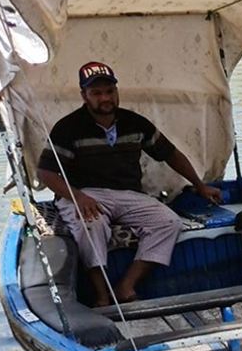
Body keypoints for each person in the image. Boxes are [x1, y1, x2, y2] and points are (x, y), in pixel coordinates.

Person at [35, 62, 221, 307]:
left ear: (116, 91)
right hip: (85, 193)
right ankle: (102, 296)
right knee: (91, 225)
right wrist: (78, 197)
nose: (105, 98)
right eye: (96, 93)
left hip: (128, 194)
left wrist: (199, 185)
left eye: (109, 91)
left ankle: (126, 286)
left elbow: (170, 154)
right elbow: (46, 173)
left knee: (168, 222)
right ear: (84, 96)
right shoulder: (68, 128)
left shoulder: (135, 122)